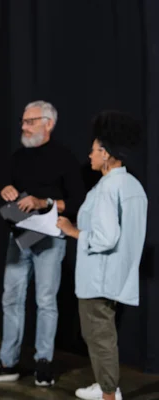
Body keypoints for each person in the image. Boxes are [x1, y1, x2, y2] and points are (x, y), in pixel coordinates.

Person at [0, 100, 85, 386]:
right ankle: (7, 362)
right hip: (20, 234)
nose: (23, 126)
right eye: (23, 121)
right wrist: (6, 190)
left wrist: (43, 202)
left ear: (48, 123)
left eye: (30, 121)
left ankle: (43, 362)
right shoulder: (18, 157)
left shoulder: (65, 158)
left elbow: (77, 202)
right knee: (11, 298)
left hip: (49, 236)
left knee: (46, 300)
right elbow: (5, 190)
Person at [57, 111, 147, 400]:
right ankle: (106, 386)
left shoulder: (109, 188)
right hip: (115, 274)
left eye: (95, 150)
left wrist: (72, 230)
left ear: (106, 154)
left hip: (99, 276)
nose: (90, 155)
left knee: (99, 336)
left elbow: (106, 237)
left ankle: (109, 393)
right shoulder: (132, 185)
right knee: (102, 335)